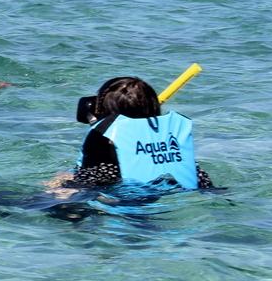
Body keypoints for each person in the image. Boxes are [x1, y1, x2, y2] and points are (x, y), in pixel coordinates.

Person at [53, 75, 214, 193]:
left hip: (122, 197)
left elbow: (88, 181)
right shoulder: (169, 136)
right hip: (178, 192)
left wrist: (61, 183)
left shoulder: (104, 136)